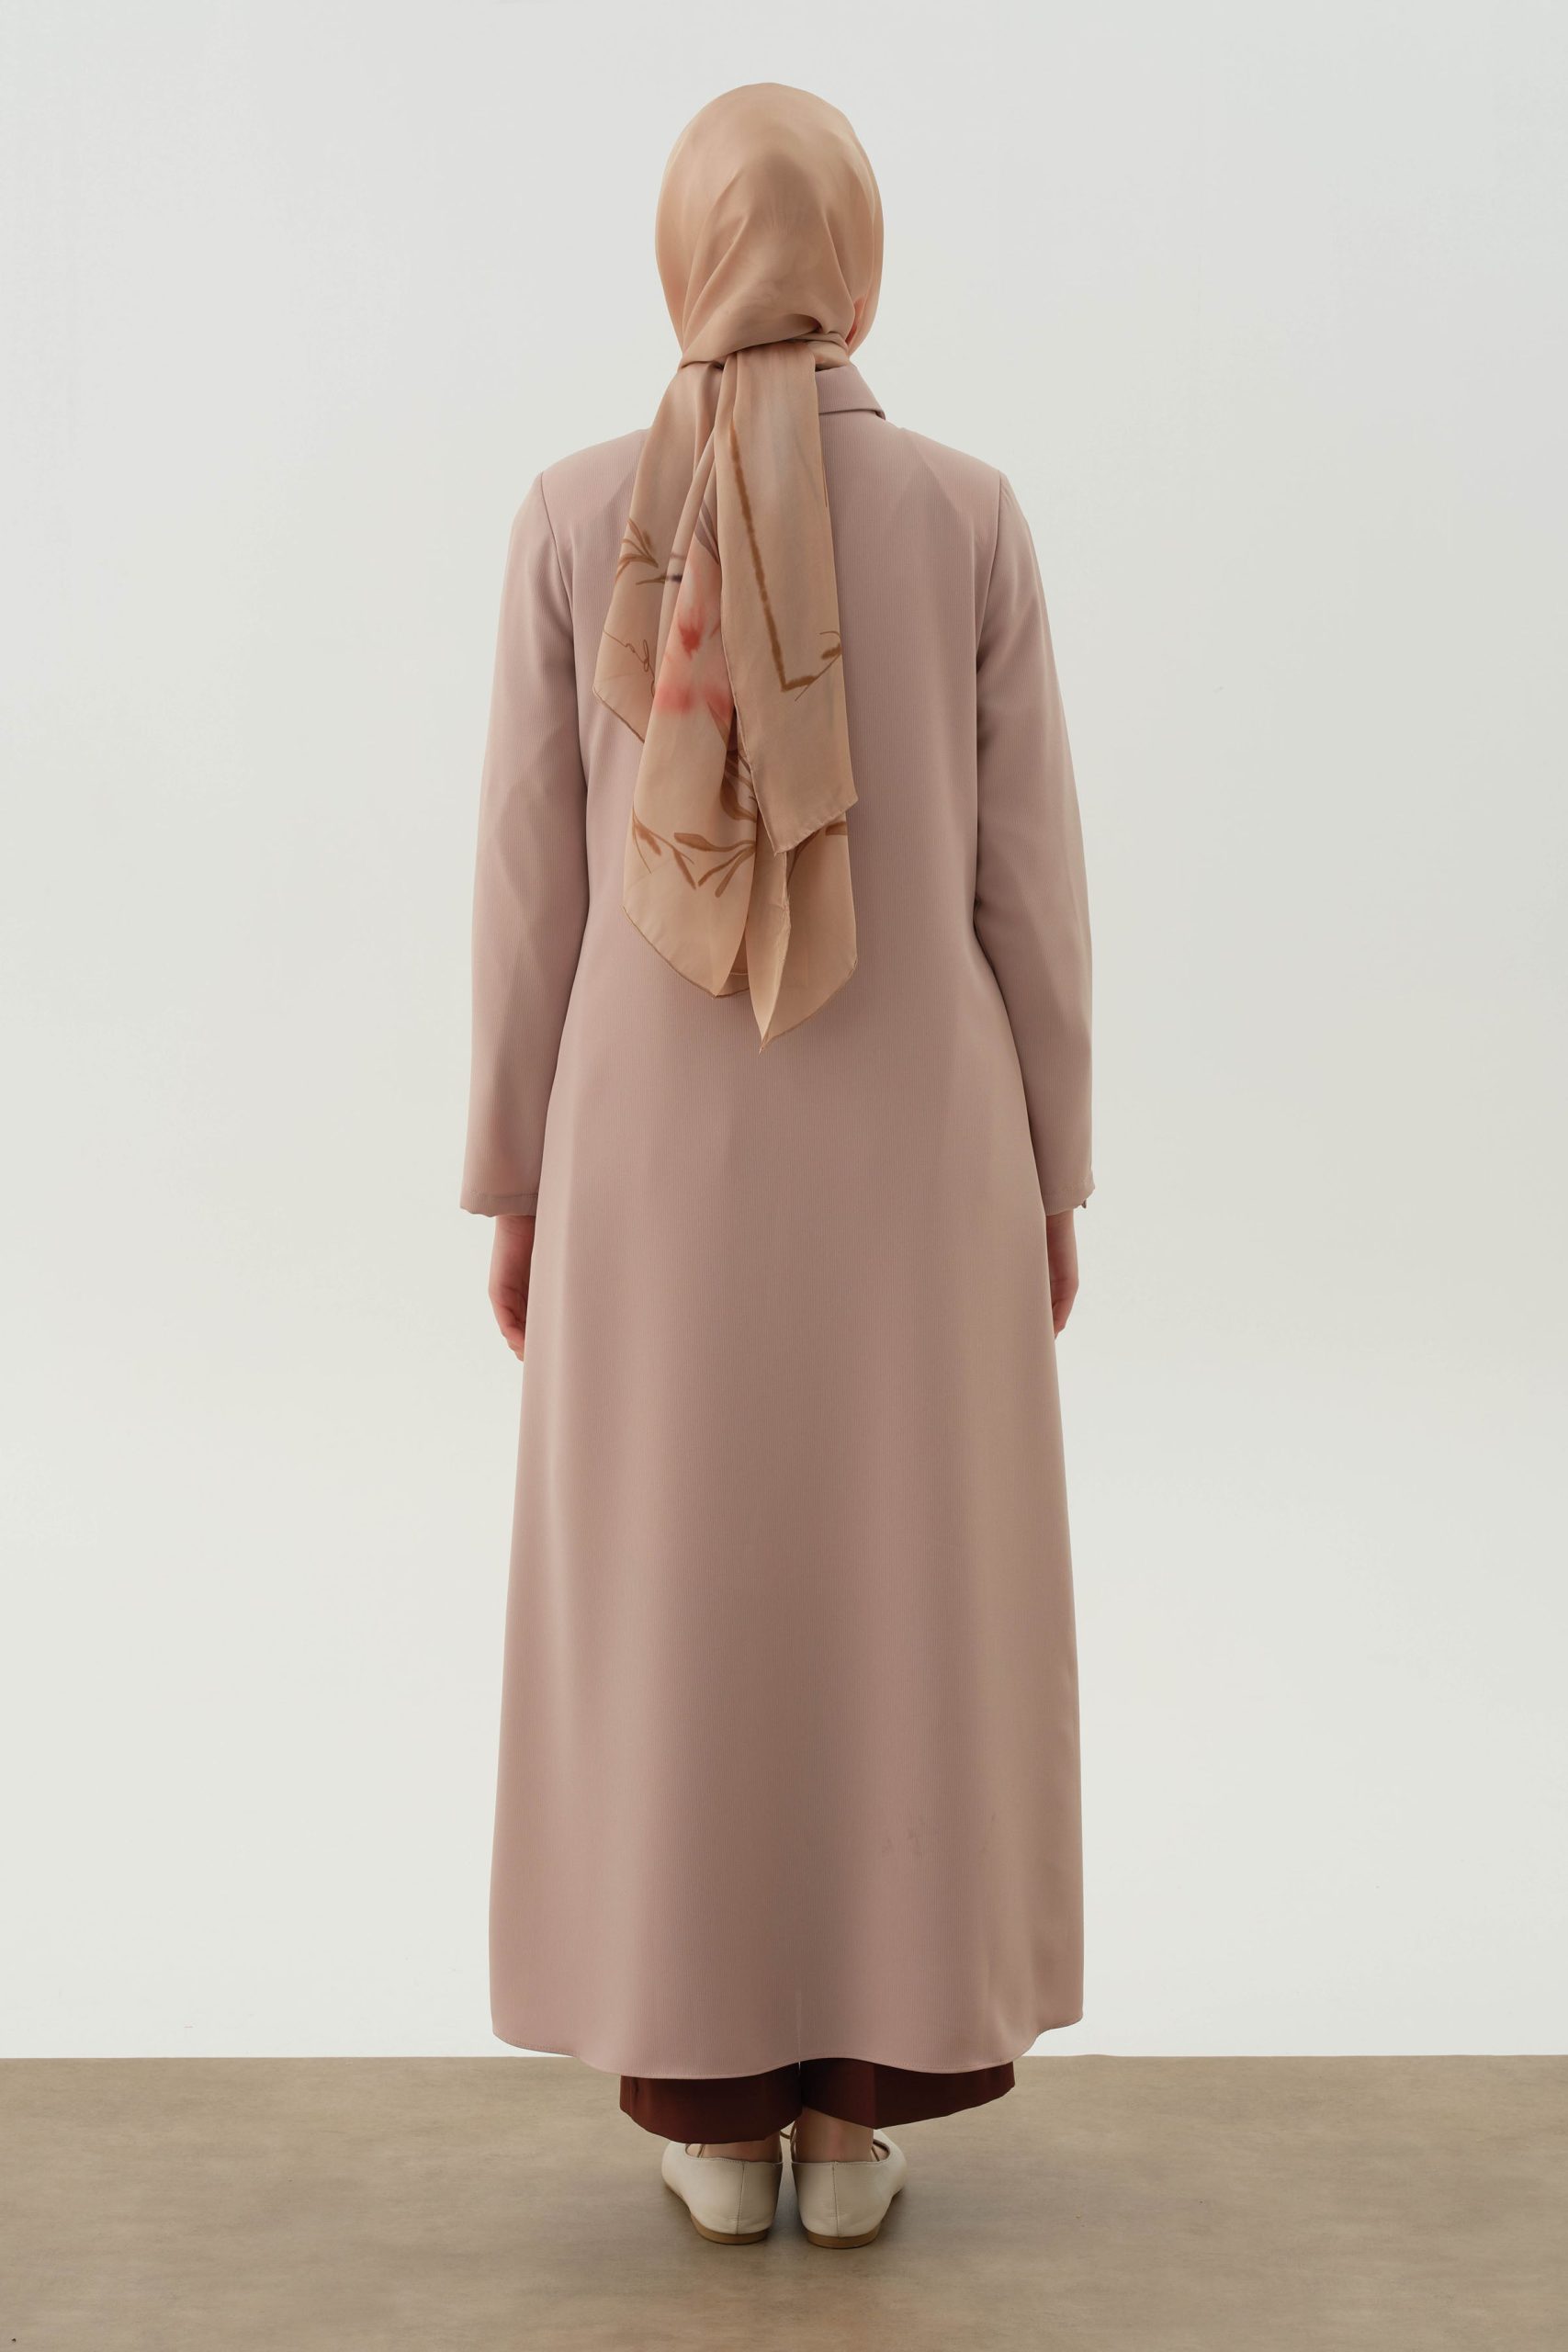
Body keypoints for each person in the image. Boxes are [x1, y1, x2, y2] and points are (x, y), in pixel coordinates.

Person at [461, 82, 1092, 2250]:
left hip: (643, 1136)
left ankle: (712, 2114)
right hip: (922, 1134)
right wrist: (1053, 1168)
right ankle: (853, 2125)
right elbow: (1028, 889)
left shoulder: (573, 515)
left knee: (678, 1583)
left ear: (678, 252)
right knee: (903, 1579)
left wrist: (508, 1172)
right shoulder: (967, 513)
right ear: (858, 261)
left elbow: (530, 887)